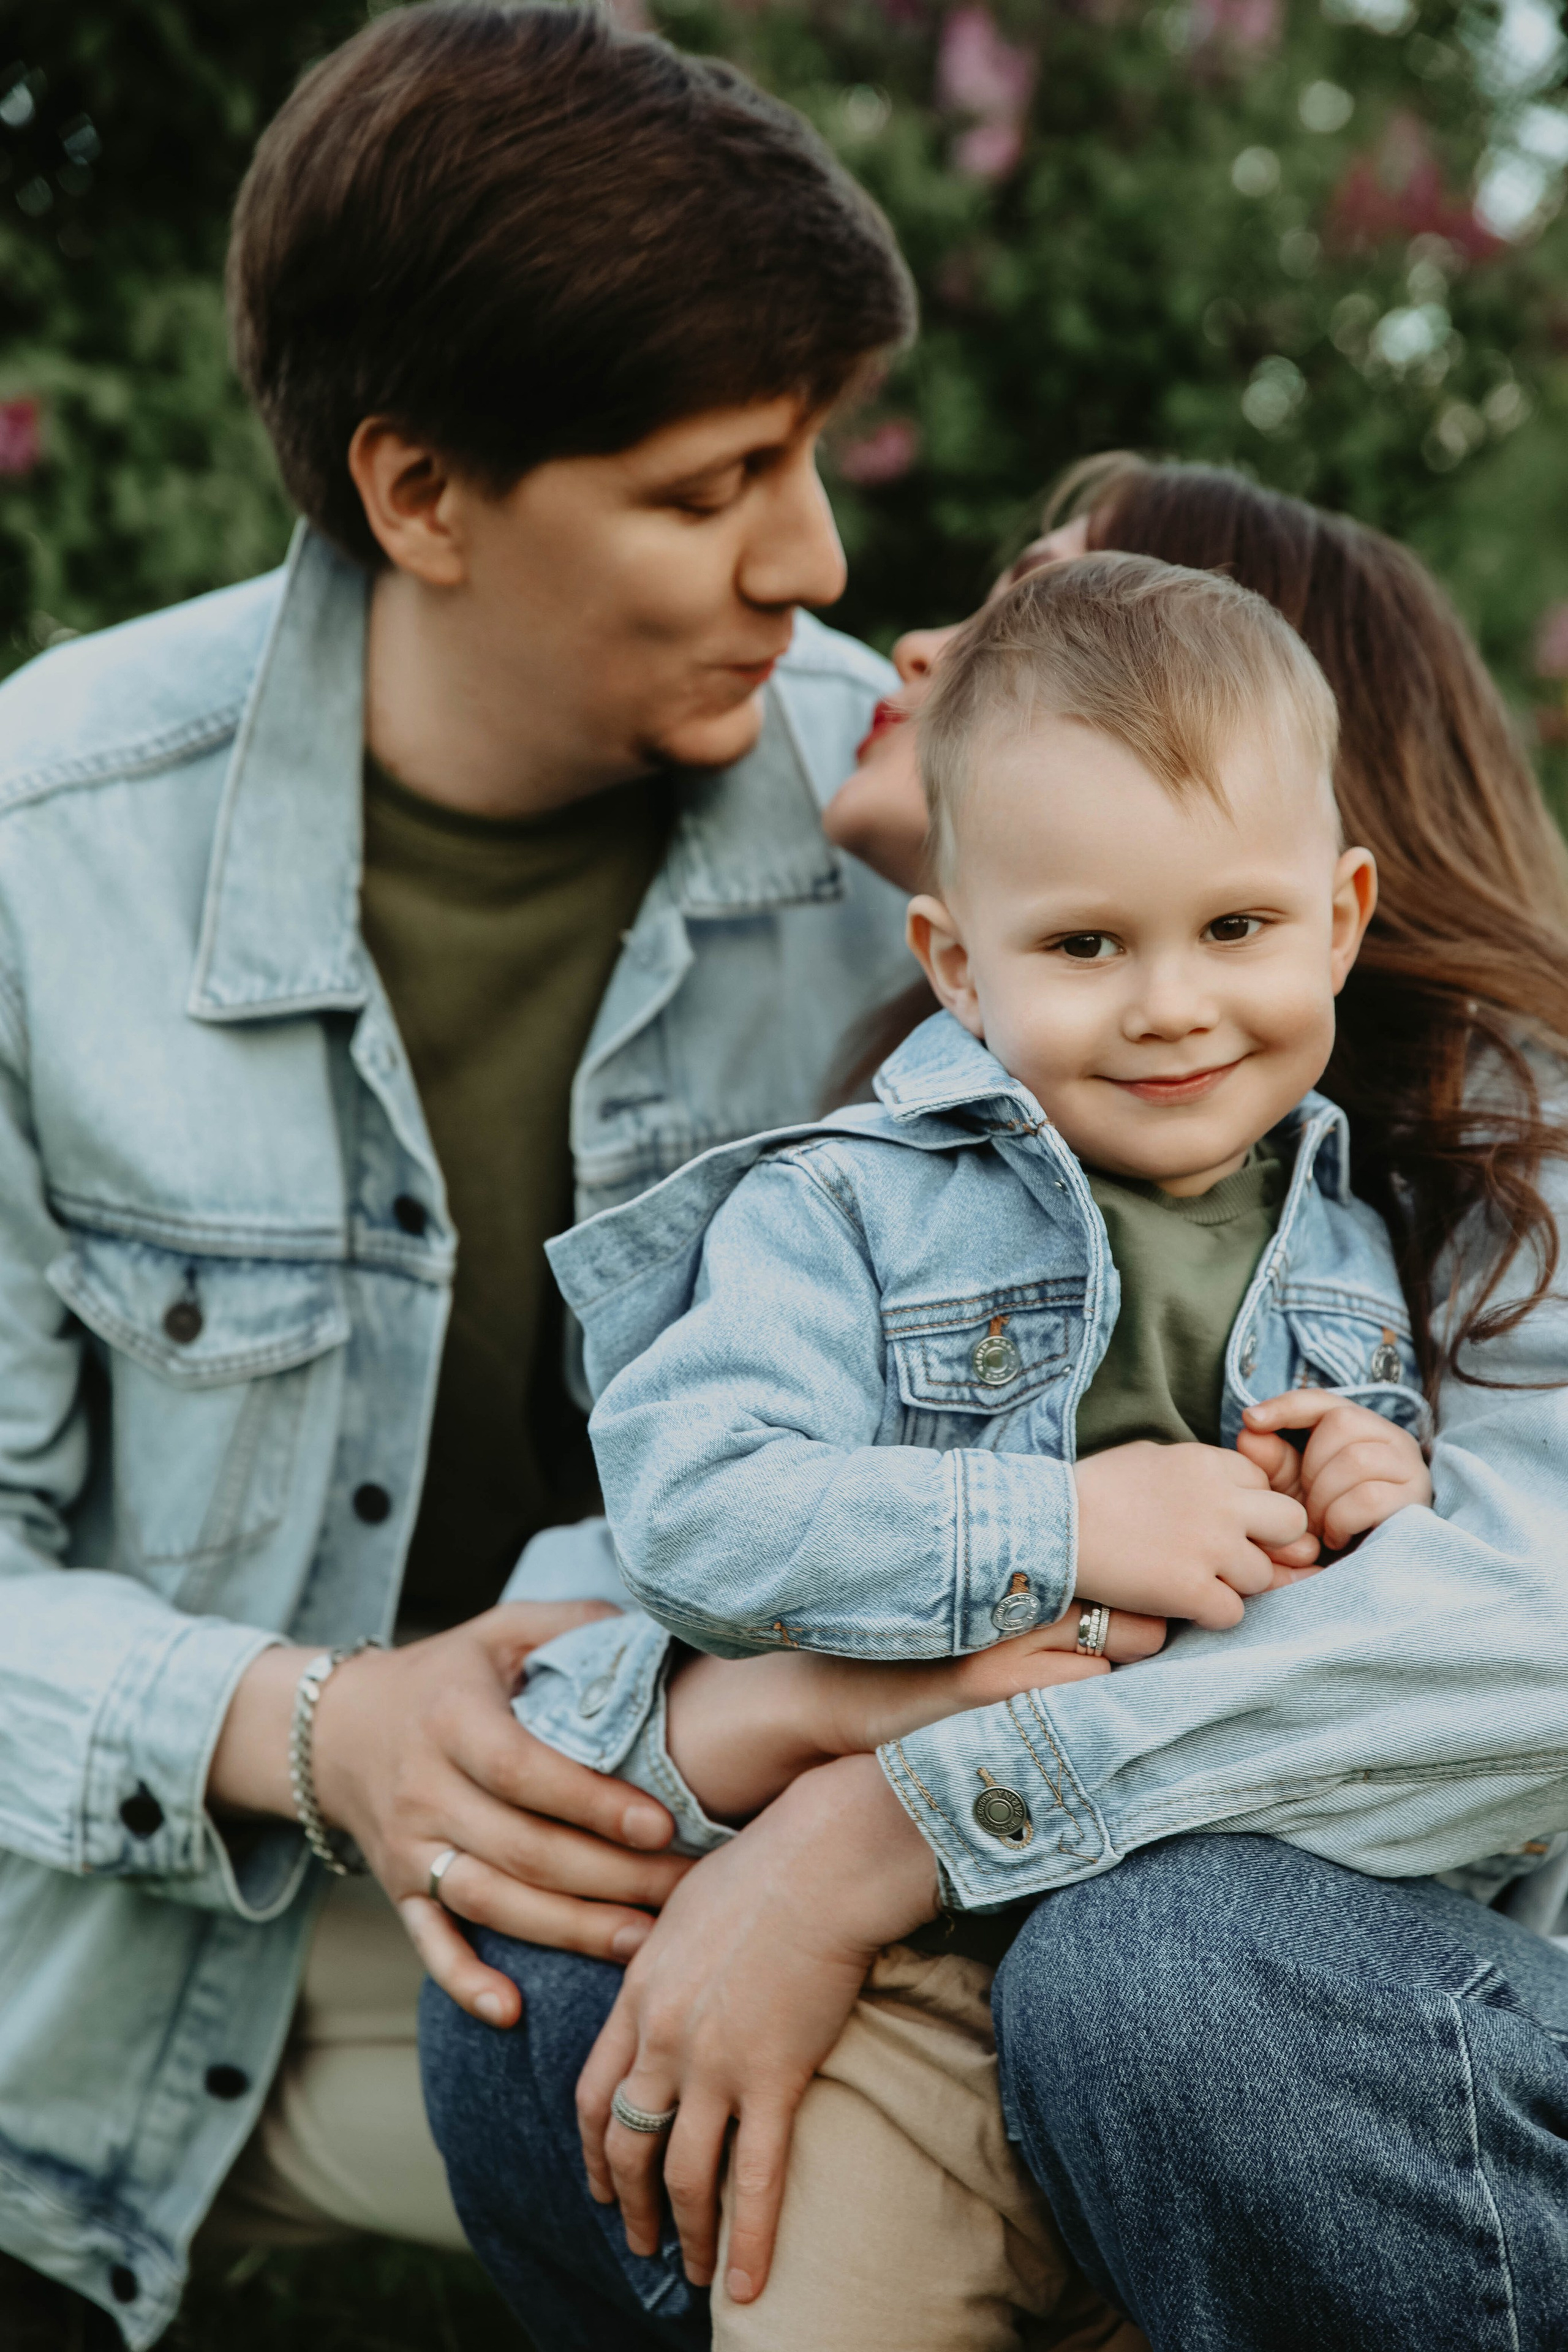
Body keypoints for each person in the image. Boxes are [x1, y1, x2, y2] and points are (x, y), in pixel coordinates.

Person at [0, 6, 933, 2344]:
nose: (809, 556)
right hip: (140, 1971)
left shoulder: (907, 828)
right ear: (421, 495)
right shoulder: (44, 854)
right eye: (716, 481)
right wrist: (321, 1727)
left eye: (812, 454)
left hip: (729, 1861)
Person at [420, 462, 1568, 2352]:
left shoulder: (1414, 1175)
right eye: (1091, 943)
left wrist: (889, 1811)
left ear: (1331, 883)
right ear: (964, 950)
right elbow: (640, 1557)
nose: (922, 639)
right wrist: (771, 1715)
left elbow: (1500, 1648)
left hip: (1324, 1997)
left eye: (1038, 606)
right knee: (576, 1943)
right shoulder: (886, 1176)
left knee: (1162, 1975)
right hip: (963, 1992)